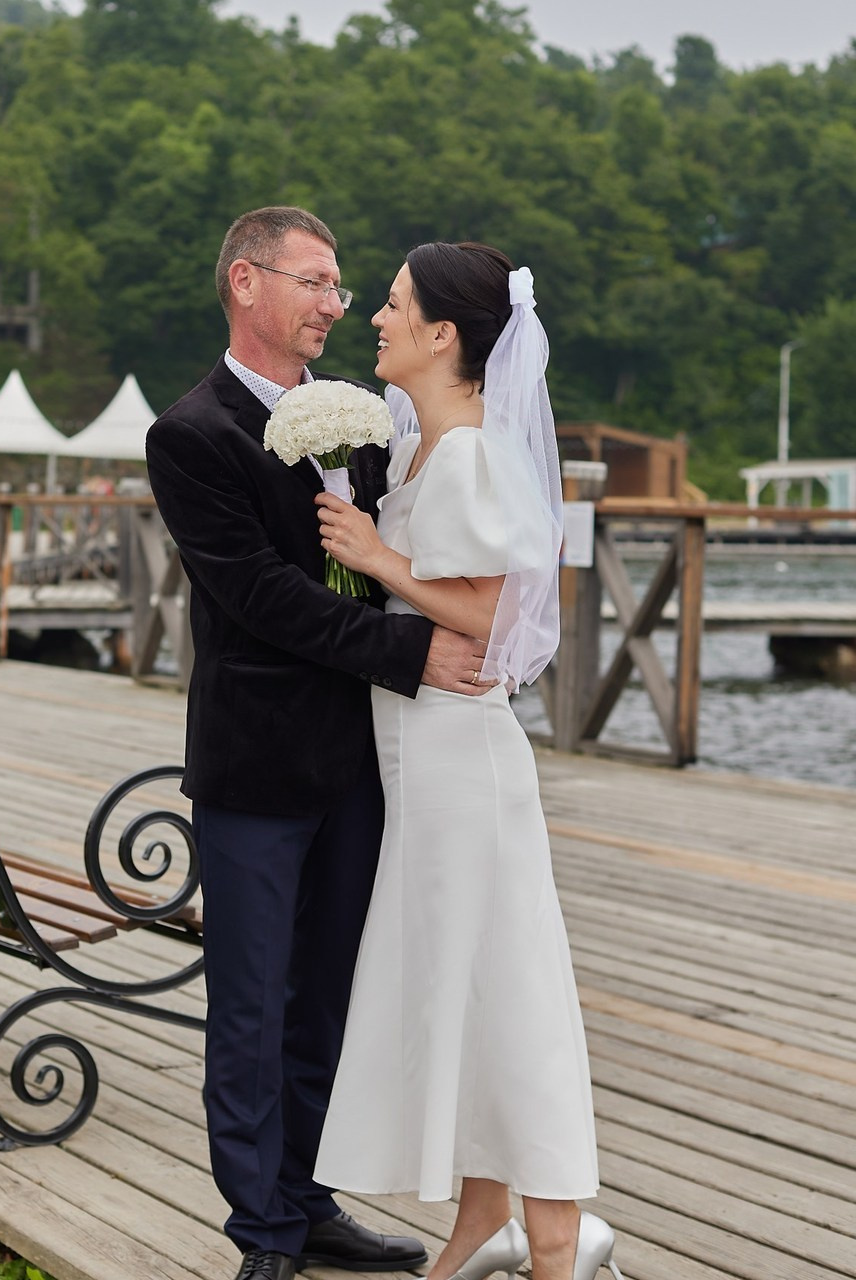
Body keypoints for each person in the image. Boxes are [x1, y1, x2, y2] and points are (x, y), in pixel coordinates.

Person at [145, 207, 492, 1280]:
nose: (333, 305)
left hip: (360, 760)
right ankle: (261, 1231)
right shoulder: (190, 433)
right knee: (247, 1004)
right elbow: (257, 600)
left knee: (325, 996)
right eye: (314, 281)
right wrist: (406, 649)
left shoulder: (361, 421)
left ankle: (309, 1197)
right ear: (246, 284)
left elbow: (407, 544)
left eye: (342, 288)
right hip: (254, 763)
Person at [312, 242, 625, 1280]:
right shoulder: (418, 446)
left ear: (444, 334)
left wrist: (371, 556)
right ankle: (476, 1228)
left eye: (393, 304)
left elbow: (488, 618)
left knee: (505, 989)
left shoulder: (471, 455)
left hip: (461, 760)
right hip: (419, 759)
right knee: (464, 985)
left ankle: (552, 1236)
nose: (375, 318)